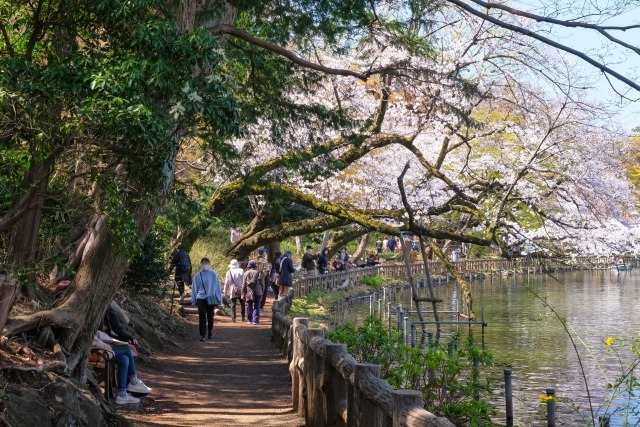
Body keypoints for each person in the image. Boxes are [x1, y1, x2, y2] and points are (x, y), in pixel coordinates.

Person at [92, 330, 151, 405]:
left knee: (124, 359)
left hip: (103, 349)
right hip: (98, 352)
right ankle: (133, 381)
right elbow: (97, 342)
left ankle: (122, 394)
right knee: (127, 348)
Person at [191, 258, 222, 341]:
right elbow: (194, 289)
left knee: (210, 316)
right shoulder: (197, 275)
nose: (205, 265)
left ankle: (210, 330)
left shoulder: (213, 274)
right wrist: (193, 301)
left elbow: (217, 287)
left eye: (206, 263)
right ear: (201, 264)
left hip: (211, 298)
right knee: (202, 317)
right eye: (203, 263)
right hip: (201, 298)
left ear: (209, 264)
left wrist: (219, 299)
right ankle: (202, 335)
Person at [242, 260, 265, 325]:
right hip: (258, 291)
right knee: (257, 306)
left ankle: (249, 320)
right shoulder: (259, 273)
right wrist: (262, 290)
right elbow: (262, 284)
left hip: (249, 291)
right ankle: (255, 320)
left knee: (249, 305)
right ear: (255, 266)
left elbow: (243, 285)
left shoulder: (246, 273)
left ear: (249, 266)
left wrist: (243, 294)